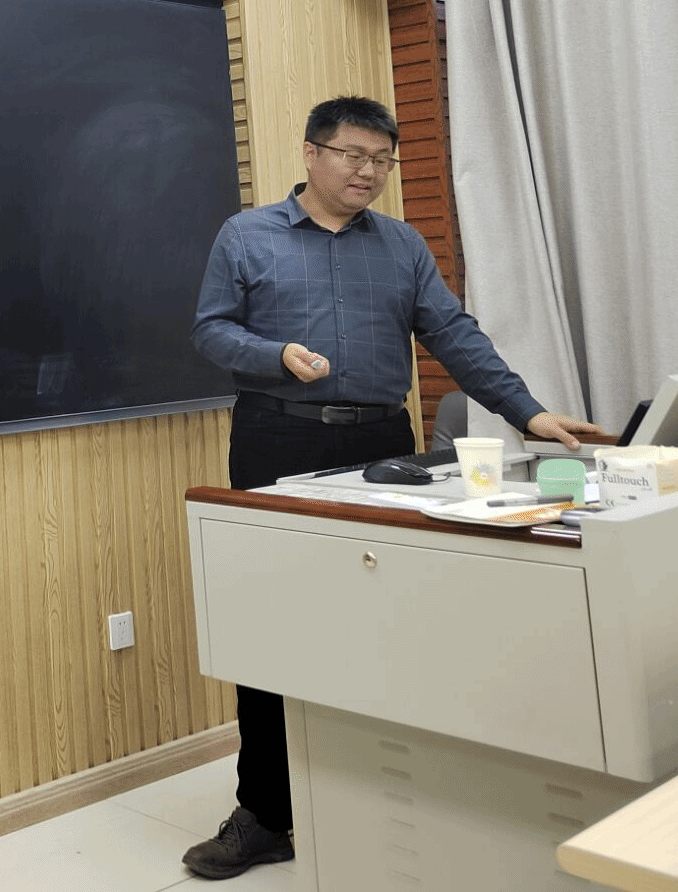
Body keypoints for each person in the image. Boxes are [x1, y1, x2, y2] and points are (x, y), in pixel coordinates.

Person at [179, 95, 601, 880]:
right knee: (272, 621)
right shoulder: (248, 235)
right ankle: (265, 813)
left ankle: (380, 795)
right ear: (312, 153)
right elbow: (211, 328)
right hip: (277, 435)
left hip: (380, 444)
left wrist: (528, 411)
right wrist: (275, 355)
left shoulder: (402, 244)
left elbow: (454, 336)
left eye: (381, 160)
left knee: (385, 616)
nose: (368, 172)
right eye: (352, 155)